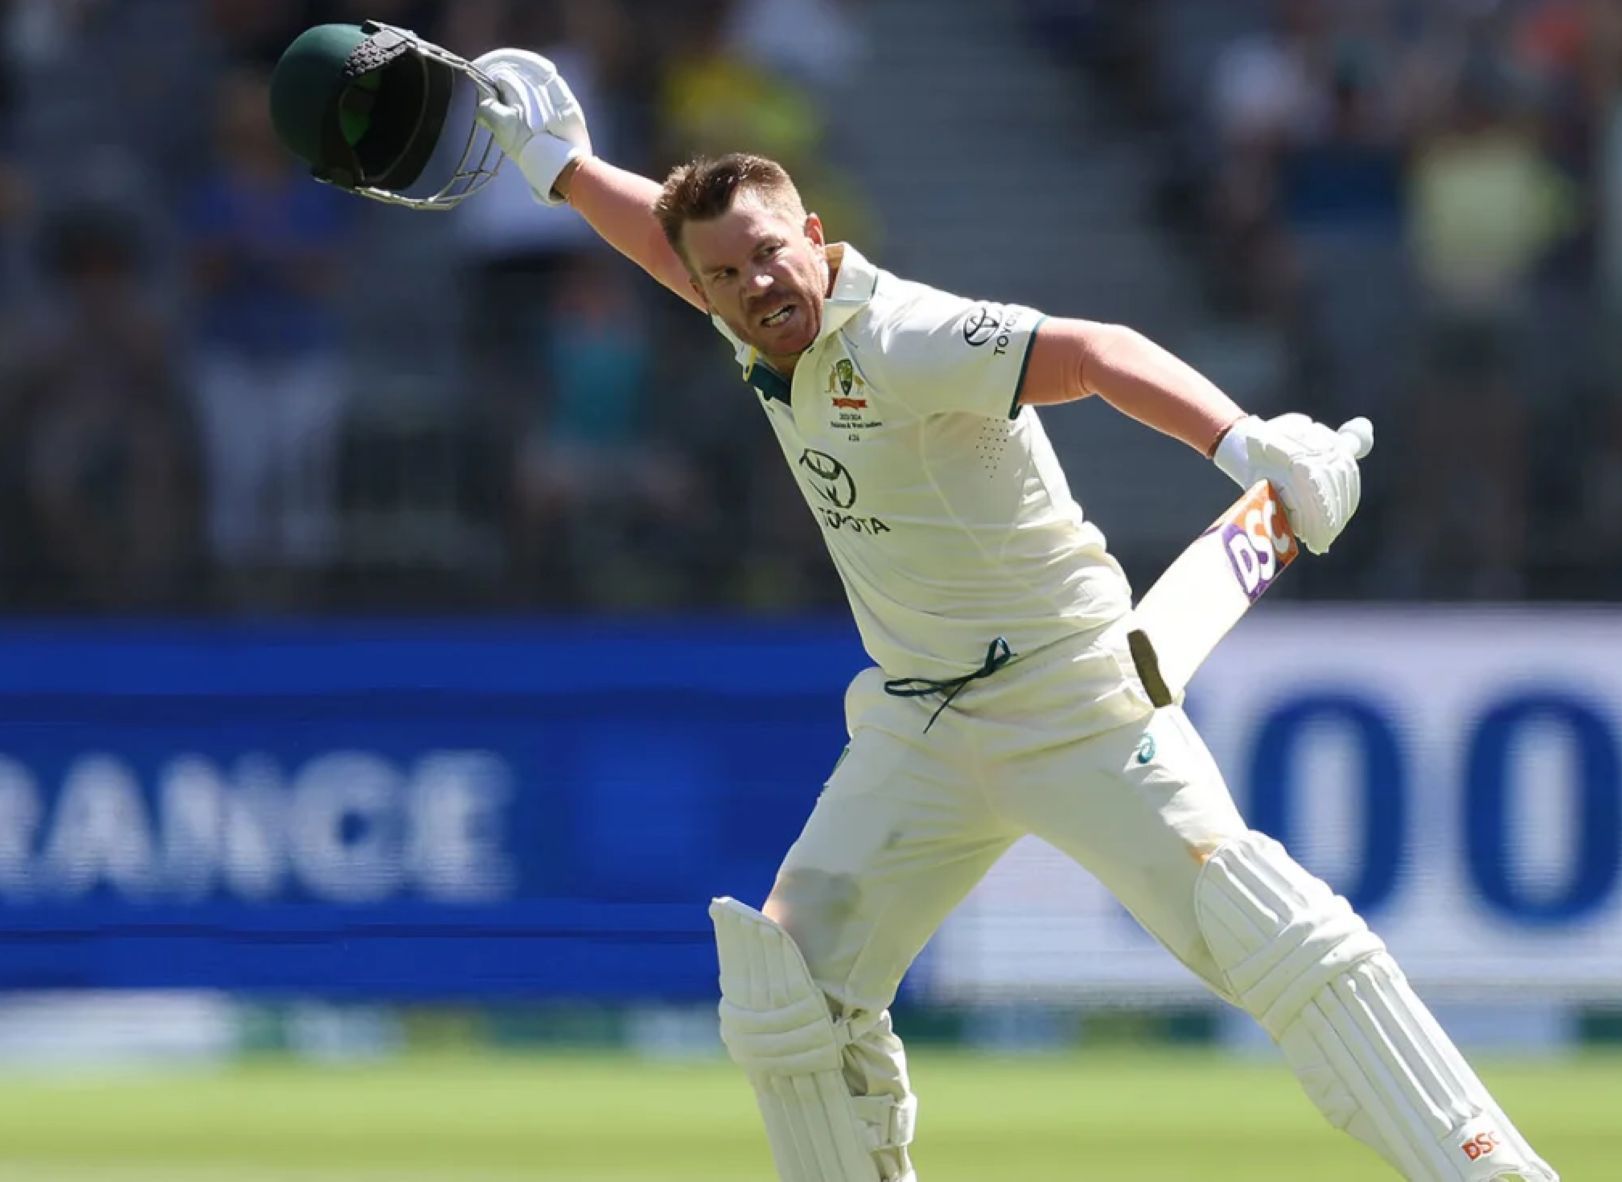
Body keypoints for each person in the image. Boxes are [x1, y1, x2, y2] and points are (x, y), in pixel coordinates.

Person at [474, 49, 1558, 1182]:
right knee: (786, 993)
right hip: (919, 726)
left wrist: (1245, 444)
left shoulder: (904, 338)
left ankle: (1485, 1166)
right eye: (726, 278)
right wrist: (564, 167)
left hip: (1073, 700)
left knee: (1265, 932)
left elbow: (1092, 354)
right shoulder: (747, 320)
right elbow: (665, 235)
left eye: (769, 255)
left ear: (817, 235)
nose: (754, 286)